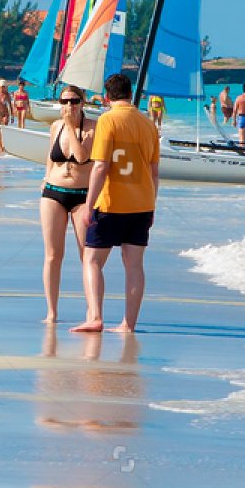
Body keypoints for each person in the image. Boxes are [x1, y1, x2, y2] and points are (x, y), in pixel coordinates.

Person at [72, 73, 160, 334]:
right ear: (131, 94)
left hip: (110, 204)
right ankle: (128, 324)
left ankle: (95, 317)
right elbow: (154, 172)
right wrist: (152, 205)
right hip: (142, 203)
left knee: (92, 260)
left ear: (106, 97)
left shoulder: (107, 120)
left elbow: (100, 166)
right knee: (134, 265)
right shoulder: (148, 124)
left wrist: (89, 205)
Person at [39, 85, 97, 325]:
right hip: (54, 193)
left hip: (82, 195)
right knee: (53, 255)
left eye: (74, 101)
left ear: (82, 102)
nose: (69, 106)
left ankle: (91, 311)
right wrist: (45, 178)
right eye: (64, 102)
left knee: (87, 256)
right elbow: (51, 156)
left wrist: (72, 126)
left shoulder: (93, 127)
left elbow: (82, 156)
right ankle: (51, 312)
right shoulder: (56, 126)